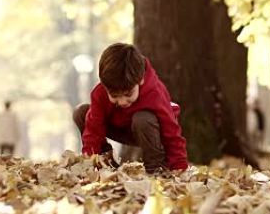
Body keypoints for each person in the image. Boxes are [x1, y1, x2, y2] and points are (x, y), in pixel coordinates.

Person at [73, 43, 188, 173]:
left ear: (140, 80)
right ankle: (104, 162)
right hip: (120, 127)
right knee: (82, 112)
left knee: (142, 118)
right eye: (115, 95)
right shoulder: (99, 94)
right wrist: (90, 160)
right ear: (105, 87)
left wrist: (179, 166)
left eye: (128, 94)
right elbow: (93, 130)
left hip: (149, 130)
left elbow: (171, 133)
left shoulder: (155, 93)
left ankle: (157, 168)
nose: (122, 101)